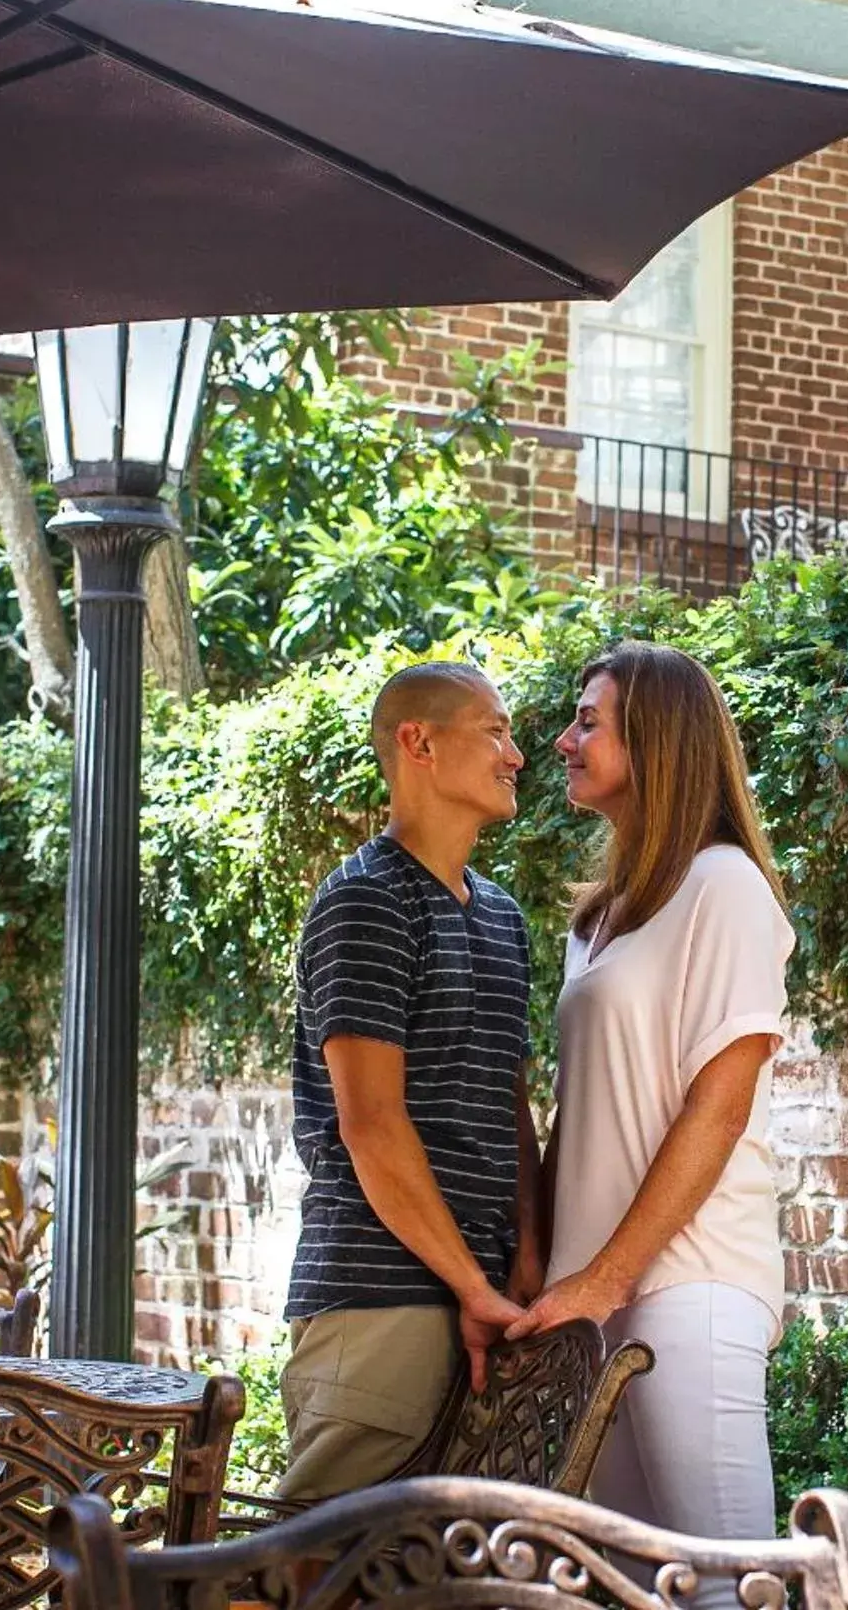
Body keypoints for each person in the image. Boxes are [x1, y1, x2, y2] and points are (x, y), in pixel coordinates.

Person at [508, 639, 793, 1565]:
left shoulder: (726, 887)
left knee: (726, 1583)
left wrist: (607, 1279)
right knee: (637, 1586)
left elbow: (720, 1107)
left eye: (588, 720)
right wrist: (550, 1263)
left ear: (658, 739)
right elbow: (583, 1114)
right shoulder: (596, 918)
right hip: (593, 1299)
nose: (562, 740)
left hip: (688, 1283)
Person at [275, 660, 544, 1501]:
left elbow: (510, 1107)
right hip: (380, 1298)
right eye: (494, 730)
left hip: (487, 1302)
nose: (517, 755)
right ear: (417, 741)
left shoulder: (501, 915)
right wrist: (470, 1285)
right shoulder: (365, 901)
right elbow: (371, 1124)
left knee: (424, 1580)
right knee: (305, 1575)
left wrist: (523, 1263)